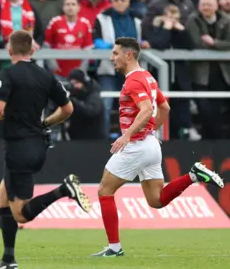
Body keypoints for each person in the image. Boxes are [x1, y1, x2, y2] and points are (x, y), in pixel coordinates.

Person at [91, 37, 225, 258]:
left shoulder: (133, 81)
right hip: (150, 144)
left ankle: (114, 248)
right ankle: (193, 175)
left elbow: (145, 110)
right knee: (157, 200)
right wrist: (152, 131)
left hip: (135, 146)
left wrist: (128, 135)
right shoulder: (148, 77)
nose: (111, 57)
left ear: (128, 55)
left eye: (115, 53)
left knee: (105, 191)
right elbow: (164, 107)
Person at [0, 31, 91, 269]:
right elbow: (68, 109)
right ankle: (8, 260)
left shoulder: (8, 73)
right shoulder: (45, 75)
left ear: (10, 50)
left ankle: (64, 190)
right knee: (2, 197)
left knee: (20, 214)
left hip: (18, 148)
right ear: (32, 50)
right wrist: (46, 123)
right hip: (38, 144)